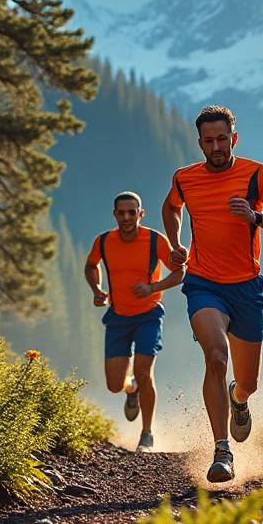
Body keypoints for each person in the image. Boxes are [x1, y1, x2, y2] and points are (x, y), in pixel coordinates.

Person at [162, 105, 263, 483]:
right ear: (200, 143)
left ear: (234, 138)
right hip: (203, 284)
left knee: (248, 382)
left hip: (246, 288)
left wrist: (256, 217)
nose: (217, 147)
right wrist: (175, 243)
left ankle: (239, 399)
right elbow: (171, 207)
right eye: (209, 141)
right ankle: (222, 451)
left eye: (223, 139)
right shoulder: (185, 178)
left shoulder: (256, 174)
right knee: (216, 356)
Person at [85, 191, 185, 452]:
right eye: (122, 213)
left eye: (132, 212)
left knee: (144, 371)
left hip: (148, 315)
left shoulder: (154, 240)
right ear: (115, 214)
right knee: (114, 385)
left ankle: (147, 434)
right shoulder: (104, 241)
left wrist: (153, 288)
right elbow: (91, 265)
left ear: (141, 214)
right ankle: (132, 390)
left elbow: (180, 272)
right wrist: (97, 290)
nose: (127, 217)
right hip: (117, 317)